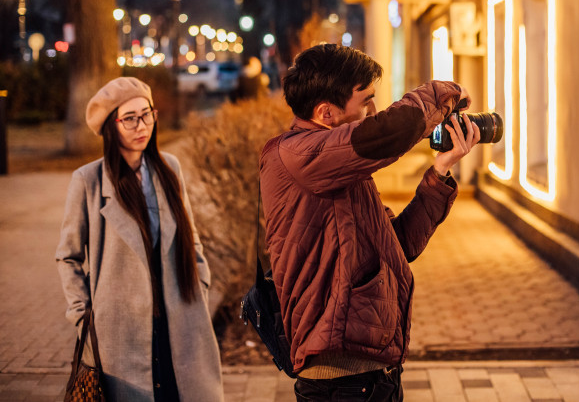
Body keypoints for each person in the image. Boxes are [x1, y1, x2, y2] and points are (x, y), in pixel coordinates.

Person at [259, 44, 481, 401]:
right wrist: (445, 93)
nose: (374, 112)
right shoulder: (297, 155)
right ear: (326, 112)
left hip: (372, 375)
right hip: (341, 382)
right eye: (366, 101)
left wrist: (440, 172)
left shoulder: (337, 168)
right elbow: (389, 131)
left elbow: (400, 245)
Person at [56, 77, 224, 402]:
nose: (141, 126)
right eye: (130, 118)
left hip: (179, 316)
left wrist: (200, 286)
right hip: (120, 329)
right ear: (111, 126)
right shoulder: (88, 181)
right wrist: (82, 316)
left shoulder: (169, 168)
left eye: (146, 114)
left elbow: (191, 237)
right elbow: (68, 256)